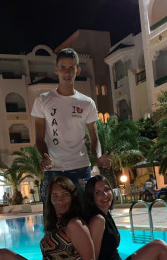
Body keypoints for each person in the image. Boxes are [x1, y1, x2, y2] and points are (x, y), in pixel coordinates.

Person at [32, 48, 112, 203]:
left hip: (81, 169)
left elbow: (94, 137)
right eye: (63, 67)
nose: (67, 72)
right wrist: (45, 157)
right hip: (54, 170)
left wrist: (98, 157)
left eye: (71, 67)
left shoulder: (87, 103)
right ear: (56, 70)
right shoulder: (42, 100)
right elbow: (39, 139)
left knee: (84, 213)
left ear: (78, 70)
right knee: (53, 217)